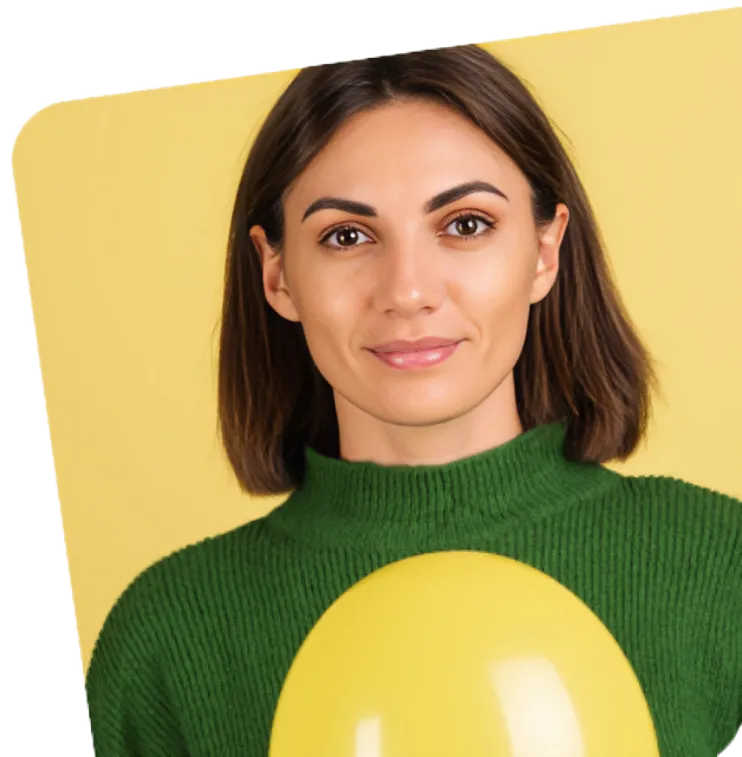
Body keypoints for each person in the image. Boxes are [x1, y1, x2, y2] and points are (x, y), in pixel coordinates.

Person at [85, 46, 741, 757]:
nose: (407, 291)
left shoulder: (720, 568)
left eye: (465, 224)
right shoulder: (166, 640)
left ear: (545, 251)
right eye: (346, 236)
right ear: (277, 274)